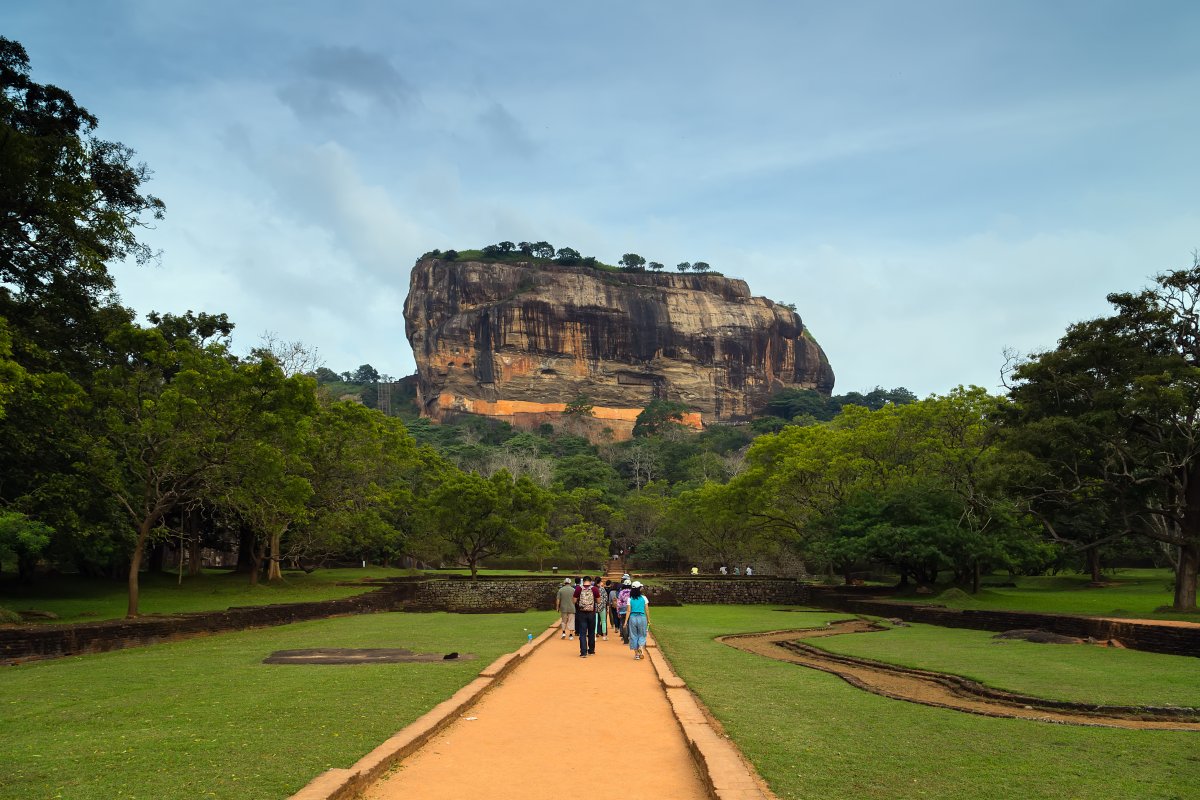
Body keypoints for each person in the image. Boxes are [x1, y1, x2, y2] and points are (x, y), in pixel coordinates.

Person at [573, 575, 601, 658]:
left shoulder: (579, 589)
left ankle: (583, 652)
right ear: (590, 581)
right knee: (591, 632)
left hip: (581, 612)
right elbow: (599, 601)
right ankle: (591, 650)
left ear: (583, 581)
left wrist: (579, 602)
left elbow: (574, 600)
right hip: (591, 612)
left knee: (582, 632)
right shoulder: (594, 589)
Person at [622, 581, 651, 660]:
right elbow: (647, 610)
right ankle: (640, 646)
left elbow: (628, 611)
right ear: (639, 589)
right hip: (642, 617)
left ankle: (636, 654)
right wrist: (649, 619)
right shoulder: (644, 598)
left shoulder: (629, 599)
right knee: (642, 634)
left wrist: (625, 622)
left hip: (633, 618)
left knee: (633, 635)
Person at [616, 578, 632, 644]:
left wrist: (618, 611)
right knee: (630, 623)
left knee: (624, 623)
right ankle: (630, 637)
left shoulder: (621, 592)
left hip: (622, 609)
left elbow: (619, 601)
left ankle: (625, 639)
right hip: (630, 609)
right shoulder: (632, 591)